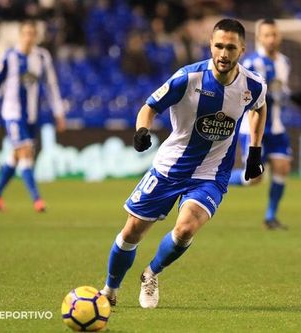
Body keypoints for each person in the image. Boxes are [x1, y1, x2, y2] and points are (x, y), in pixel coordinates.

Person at [100, 18, 267, 309]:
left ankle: (151, 273)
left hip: (211, 174)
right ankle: (109, 290)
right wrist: (142, 130)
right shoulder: (187, 78)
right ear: (210, 46)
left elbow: (259, 108)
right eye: (218, 46)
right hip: (169, 168)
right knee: (132, 231)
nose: (223, 54)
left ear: (242, 49)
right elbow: (150, 106)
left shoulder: (253, 85)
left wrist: (254, 151)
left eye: (230, 47)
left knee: (186, 229)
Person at [229, 18, 301, 230]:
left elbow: (280, 90)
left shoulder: (285, 62)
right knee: (254, 179)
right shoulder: (250, 64)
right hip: (254, 128)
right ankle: (221, 178)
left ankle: (270, 217)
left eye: (274, 34)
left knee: (283, 167)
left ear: (279, 36)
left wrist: (293, 96)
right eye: (267, 35)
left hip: (277, 127)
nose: (271, 39)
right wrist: (269, 96)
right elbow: (245, 95)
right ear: (259, 38)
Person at [0, 20, 65, 212]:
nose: (29, 37)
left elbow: (51, 86)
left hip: (32, 115)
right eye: (26, 33)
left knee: (16, 155)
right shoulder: (9, 56)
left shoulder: (42, 57)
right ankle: (37, 199)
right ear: (20, 35)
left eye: (32, 33)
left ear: (36, 36)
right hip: (12, 113)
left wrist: (59, 113)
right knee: (26, 152)